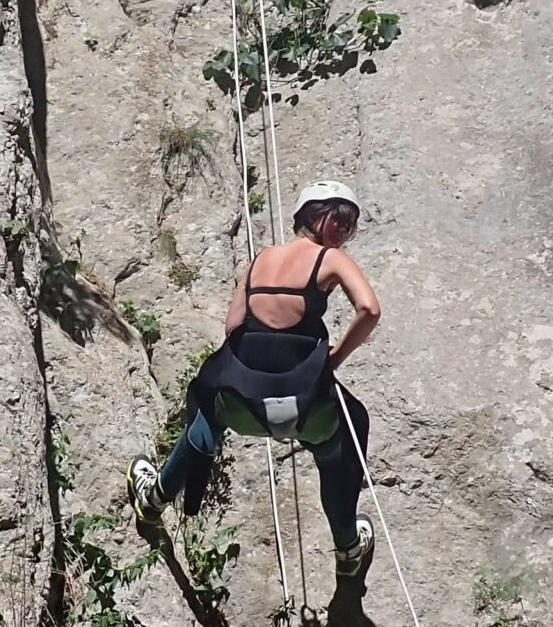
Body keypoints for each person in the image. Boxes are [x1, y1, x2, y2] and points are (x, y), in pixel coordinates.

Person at [129, 178, 381, 583]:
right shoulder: (330, 261)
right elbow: (368, 308)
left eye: (350, 224)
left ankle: (155, 497)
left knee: (209, 410)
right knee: (337, 456)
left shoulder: (259, 260)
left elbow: (232, 327)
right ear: (316, 217)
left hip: (245, 407)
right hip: (307, 409)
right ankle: (348, 547)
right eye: (341, 218)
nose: (344, 231)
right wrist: (331, 359)